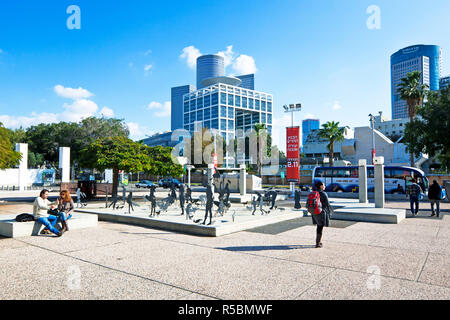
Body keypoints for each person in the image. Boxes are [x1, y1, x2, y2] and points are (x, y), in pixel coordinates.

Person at [311, 181, 332, 248]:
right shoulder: (323, 194)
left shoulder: (314, 193)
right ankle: (318, 243)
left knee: (318, 227)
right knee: (320, 228)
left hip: (314, 212)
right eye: (323, 185)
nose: (324, 186)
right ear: (321, 186)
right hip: (321, 212)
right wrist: (330, 212)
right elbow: (327, 204)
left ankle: (318, 242)